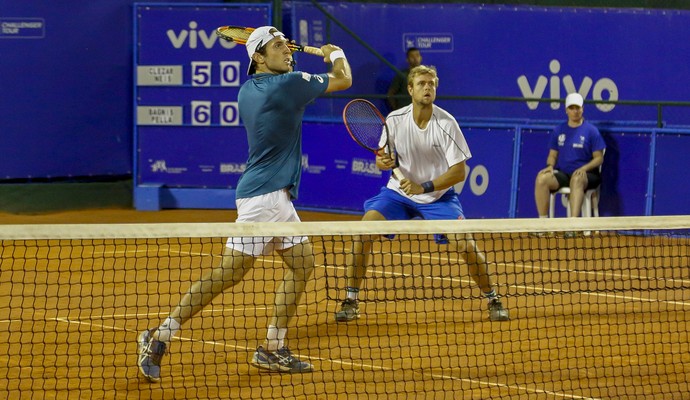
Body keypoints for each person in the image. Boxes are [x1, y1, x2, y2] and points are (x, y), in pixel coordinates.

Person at [136, 26, 352, 381]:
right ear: (258, 57)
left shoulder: (249, 89)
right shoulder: (288, 84)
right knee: (228, 274)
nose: (287, 50)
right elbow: (343, 80)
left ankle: (272, 347)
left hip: (275, 196)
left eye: (287, 45)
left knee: (303, 264)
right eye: (277, 46)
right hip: (263, 199)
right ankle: (159, 336)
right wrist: (336, 53)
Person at [334, 65, 510, 323]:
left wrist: (424, 187)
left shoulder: (447, 123)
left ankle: (493, 298)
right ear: (410, 89)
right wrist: (382, 163)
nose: (427, 87)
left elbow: (459, 172)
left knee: (466, 244)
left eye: (431, 83)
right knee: (362, 233)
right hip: (398, 194)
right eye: (421, 83)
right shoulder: (394, 120)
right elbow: (383, 159)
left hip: (437, 197)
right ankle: (351, 299)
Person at [534, 92, 606, 223]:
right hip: (564, 174)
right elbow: (552, 155)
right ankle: (542, 224)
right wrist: (549, 166)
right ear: (566, 110)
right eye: (572, 108)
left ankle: (573, 225)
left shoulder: (591, 131)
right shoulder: (559, 130)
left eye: (578, 108)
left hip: (587, 175)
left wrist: (584, 168)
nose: (575, 111)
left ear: (582, 109)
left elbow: (599, 158)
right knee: (541, 179)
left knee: (577, 179)